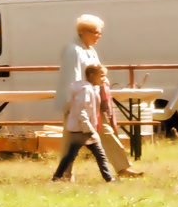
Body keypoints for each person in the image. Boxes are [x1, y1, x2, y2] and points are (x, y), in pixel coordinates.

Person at [56, 14, 143, 178]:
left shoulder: (90, 50)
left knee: (106, 132)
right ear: (83, 31)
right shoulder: (73, 51)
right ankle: (64, 175)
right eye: (96, 32)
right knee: (71, 139)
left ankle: (123, 168)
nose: (99, 35)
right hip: (78, 102)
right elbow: (72, 79)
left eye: (99, 32)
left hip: (93, 100)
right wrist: (73, 104)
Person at [52, 63, 115, 182]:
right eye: (101, 76)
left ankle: (56, 177)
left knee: (71, 156)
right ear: (91, 75)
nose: (104, 79)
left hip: (79, 128)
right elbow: (82, 111)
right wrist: (89, 129)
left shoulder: (84, 88)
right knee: (99, 155)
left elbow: (69, 105)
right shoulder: (85, 90)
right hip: (83, 129)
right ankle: (109, 179)